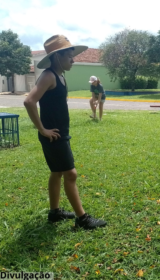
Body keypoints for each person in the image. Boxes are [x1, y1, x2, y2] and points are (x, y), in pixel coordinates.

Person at [23, 35, 107, 230]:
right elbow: (29, 101)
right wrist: (42, 129)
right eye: (70, 56)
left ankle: (55, 213)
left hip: (59, 133)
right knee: (70, 174)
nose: (73, 59)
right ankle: (82, 219)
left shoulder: (60, 75)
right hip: (53, 136)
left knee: (57, 173)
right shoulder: (49, 75)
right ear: (57, 56)